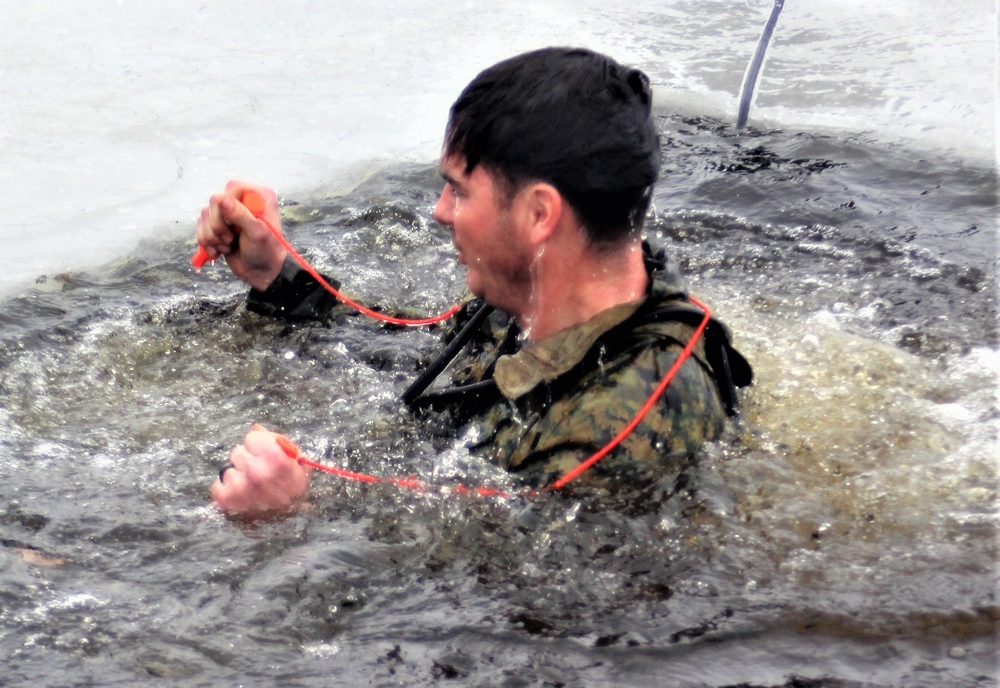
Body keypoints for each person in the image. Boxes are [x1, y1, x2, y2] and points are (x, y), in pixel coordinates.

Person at [196, 47, 751, 517]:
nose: (440, 212)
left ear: (539, 214)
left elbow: (477, 571)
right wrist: (278, 275)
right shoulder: (534, 299)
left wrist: (298, 515)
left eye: (460, 191)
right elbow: (402, 350)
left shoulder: (614, 437)